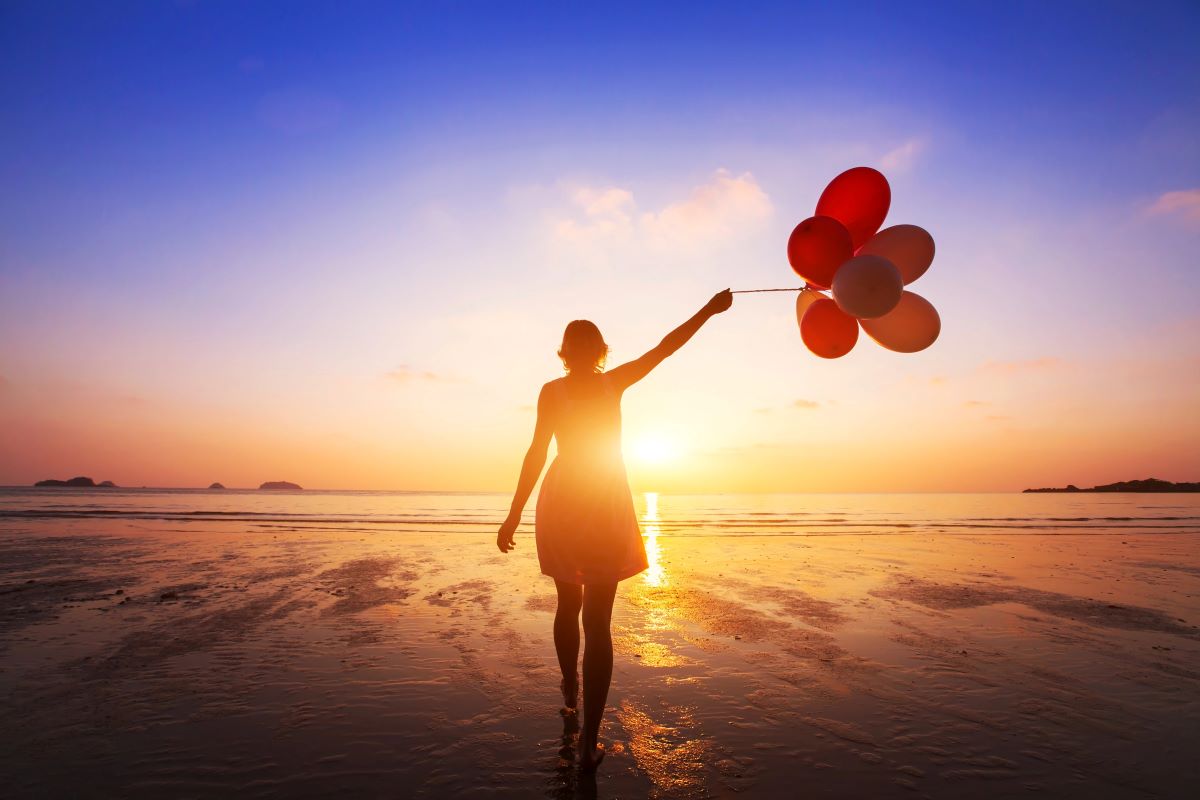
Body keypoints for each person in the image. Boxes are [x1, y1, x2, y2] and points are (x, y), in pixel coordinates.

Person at [496, 289, 733, 771]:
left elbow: (536, 453)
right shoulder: (613, 382)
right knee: (597, 623)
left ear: (566, 353)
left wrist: (514, 511)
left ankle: (570, 689)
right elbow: (665, 348)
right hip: (601, 499)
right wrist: (707, 311)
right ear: (600, 351)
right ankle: (588, 743)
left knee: (569, 603)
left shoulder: (552, 390)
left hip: (565, 500)